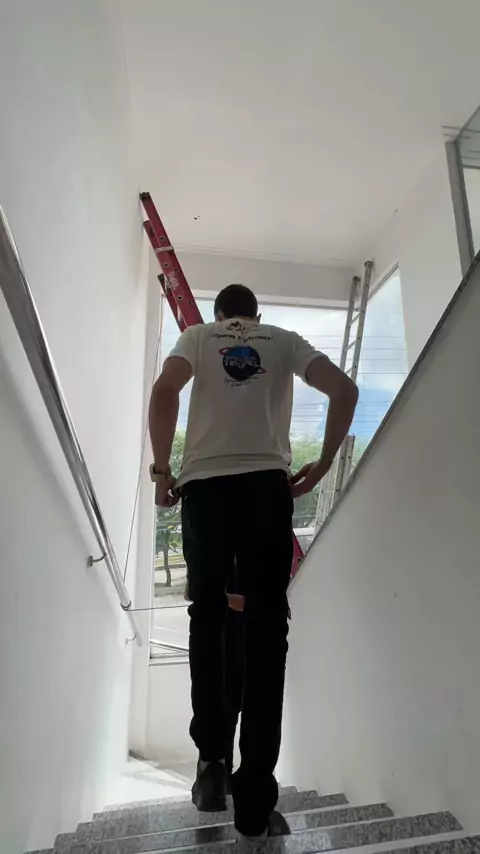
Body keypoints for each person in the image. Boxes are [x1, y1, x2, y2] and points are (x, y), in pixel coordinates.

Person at [149, 284, 358, 840]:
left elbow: (165, 390)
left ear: (220, 315)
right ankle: (255, 796)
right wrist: (323, 464)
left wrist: (162, 471)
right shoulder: (283, 340)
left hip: (206, 491)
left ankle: (212, 763)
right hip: (267, 489)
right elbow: (345, 389)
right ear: (255, 315)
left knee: (207, 620)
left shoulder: (198, 338)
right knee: (267, 634)